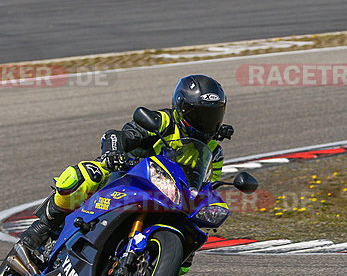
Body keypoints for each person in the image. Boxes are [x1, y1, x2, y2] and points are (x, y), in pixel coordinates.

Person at [19, 74, 234, 255]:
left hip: (168, 198)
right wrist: (113, 154)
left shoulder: (214, 151)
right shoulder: (162, 122)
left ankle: (155, 267)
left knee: (194, 232)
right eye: (199, 115)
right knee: (86, 176)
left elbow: (206, 187)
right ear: (182, 108)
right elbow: (115, 136)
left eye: (212, 115)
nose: (205, 122)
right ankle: (44, 225)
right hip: (127, 175)